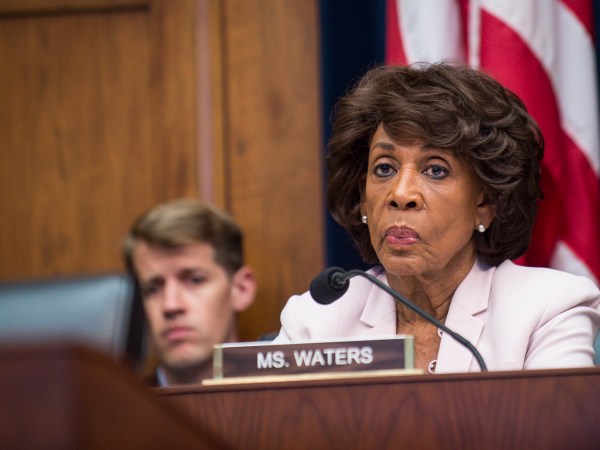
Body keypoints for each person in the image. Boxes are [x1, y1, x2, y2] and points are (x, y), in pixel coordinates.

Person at [273, 62, 600, 373]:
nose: (401, 194)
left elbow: (557, 429)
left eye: (435, 170)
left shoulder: (547, 309)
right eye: (384, 168)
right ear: (362, 200)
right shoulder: (318, 319)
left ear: (485, 203)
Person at [123, 199, 256, 386]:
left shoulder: (284, 407)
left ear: (241, 289)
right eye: (152, 289)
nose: (170, 305)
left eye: (195, 280)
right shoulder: (114, 412)